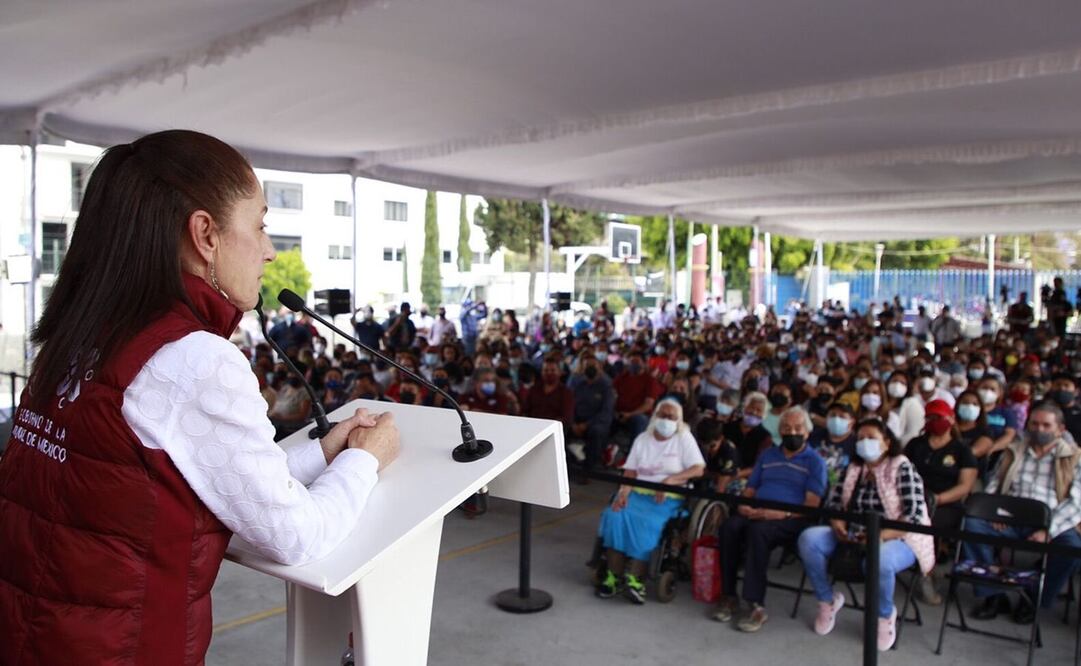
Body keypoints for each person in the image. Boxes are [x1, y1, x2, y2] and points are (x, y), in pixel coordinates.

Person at [0, 130, 400, 664]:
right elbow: (294, 536)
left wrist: (324, 453)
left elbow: (196, 476)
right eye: (260, 226)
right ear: (205, 234)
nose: (268, 251)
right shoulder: (192, 360)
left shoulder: (78, 337)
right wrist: (365, 460)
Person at [798, 418, 935, 652]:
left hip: (901, 537)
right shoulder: (853, 468)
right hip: (855, 533)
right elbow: (833, 503)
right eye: (860, 438)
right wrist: (838, 523)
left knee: (879, 559)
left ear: (886, 442)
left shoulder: (901, 465)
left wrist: (880, 535)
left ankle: (883, 615)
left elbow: (914, 516)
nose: (865, 443)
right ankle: (827, 600)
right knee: (809, 539)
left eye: (871, 438)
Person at [964, 402, 1081, 624]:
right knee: (972, 525)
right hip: (1008, 519)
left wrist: (1049, 530)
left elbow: (1077, 502)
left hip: (1050, 523)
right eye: (1034, 424)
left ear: (1061, 429)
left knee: (1072, 548)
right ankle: (992, 594)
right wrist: (994, 513)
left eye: (1047, 425)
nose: (1039, 429)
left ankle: (1033, 599)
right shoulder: (1014, 450)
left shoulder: (1074, 457)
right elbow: (994, 485)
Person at [713, 407, 826, 632]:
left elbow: (811, 506)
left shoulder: (815, 462)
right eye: (786, 428)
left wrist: (780, 514)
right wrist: (744, 505)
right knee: (730, 527)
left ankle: (756, 604)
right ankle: (728, 595)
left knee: (758, 532)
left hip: (790, 518)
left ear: (807, 432)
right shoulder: (768, 455)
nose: (791, 432)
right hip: (758, 511)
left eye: (797, 428)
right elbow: (751, 489)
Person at [596, 399, 705, 604]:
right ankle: (614, 575)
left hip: (667, 498)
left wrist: (672, 479)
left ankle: (636, 579)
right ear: (655, 416)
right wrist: (623, 492)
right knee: (614, 515)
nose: (666, 420)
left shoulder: (684, 438)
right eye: (662, 415)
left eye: (671, 417)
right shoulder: (643, 439)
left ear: (679, 420)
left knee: (648, 524)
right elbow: (630, 470)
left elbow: (698, 469)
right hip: (637, 493)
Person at [902, 399, 978, 604]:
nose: (935, 422)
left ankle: (926, 572)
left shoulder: (961, 450)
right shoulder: (915, 445)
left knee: (929, 522)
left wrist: (938, 498)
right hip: (912, 498)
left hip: (946, 503)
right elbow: (900, 470)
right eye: (931, 417)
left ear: (951, 420)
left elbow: (965, 485)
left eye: (939, 418)